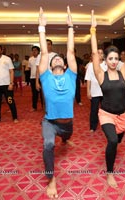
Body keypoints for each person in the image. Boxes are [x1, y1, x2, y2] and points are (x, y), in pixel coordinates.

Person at [38, 6, 77, 198]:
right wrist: (41, 28)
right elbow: (45, 54)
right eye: (55, 59)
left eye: (60, 59)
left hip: (68, 124)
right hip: (50, 122)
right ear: (51, 65)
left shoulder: (71, 76)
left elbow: (70, 50)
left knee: (66, 137)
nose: (57, 60)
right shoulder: (45, 77)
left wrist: (70, 26)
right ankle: (51, 179)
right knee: (48, 144)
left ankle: (66, 139)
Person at [91, 9, 125, 188]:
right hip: (106, 114)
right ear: (105, 60)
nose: (114, 61)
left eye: (116, 58)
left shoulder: (123, 72)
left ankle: (112, 149)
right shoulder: (101, 74)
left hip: (121, 115)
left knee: (118, 140)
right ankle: (110, 173)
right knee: (113, 140)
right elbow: (94, 54)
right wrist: (93, 30)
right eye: (110, 58)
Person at [84, 48, 106, 132]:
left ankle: (106, 126)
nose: (100, 54)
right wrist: (88, 91)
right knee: (94, 110)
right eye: (98, 53)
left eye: (101, 53)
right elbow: (88, 79)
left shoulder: (106, 64)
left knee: (106, 110)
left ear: (104, 55)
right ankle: (93, 126)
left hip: (105, 91)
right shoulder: (91, 65)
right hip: (95, 91)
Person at [28, 46, 43, 111]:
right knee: (34, 93)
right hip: (33, 78)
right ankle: (34, 107)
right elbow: (29, 68)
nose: (34, 52)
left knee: (42, 93)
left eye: (35, 50)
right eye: (33, 50)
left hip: (41, 77)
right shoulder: (30, 59)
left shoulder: (42, 58)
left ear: (38, 51)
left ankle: (44, 107)